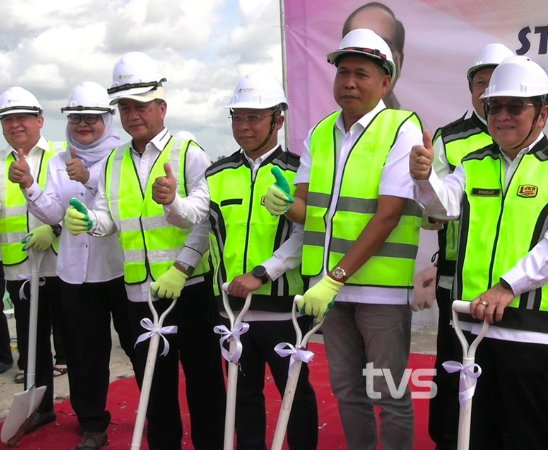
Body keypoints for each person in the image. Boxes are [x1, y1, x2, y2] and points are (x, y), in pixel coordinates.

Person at [412, 55, 548, 449]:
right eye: (494, 106)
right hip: (472, 327)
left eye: (515, 106)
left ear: (542, 114)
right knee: (473, 435)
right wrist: (425, 180)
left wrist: (508, 286)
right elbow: (442, 208)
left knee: (532, 437)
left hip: (535, 331)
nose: (502, 116)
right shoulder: (473, 163)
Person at [266, 28, 423, 449]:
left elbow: (388, 215)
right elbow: (305, 208)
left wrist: (334, 278)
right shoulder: (321, 132)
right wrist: (283, 204)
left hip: (379, 291)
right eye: (343, 73)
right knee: (348, 391)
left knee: (389, 393)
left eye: (361, 74)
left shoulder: (401, 127)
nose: (349, 82)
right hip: (328, 290)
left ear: (385, 82)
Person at [64, 52, 226, 450]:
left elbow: (204, 218)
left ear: (161, 107)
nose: (133, 115)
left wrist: (175, 217)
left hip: (190, 289)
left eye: (141, 106)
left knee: (204, 380)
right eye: (125, 107)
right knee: (155, 384)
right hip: (139, 293)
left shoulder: (188, 151)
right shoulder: (114, 161)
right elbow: (109, 219)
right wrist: (88, 220)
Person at [17, 82, 135, 449]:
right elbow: (53, 213)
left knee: (139, 346)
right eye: (76, 118)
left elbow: (123, 204)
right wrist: (30, 187)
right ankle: (92, 424)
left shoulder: (123, 157)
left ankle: (158, 410)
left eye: (91, 118)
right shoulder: (57, 161)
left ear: (106, 119)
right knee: (84, 355)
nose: (83, 125)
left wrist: (88, 178)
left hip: (120, 270)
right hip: (74, 274)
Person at [204, 72, 318, 450]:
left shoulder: (301, 171)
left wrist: (262, 274)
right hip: (231, 310)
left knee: (295, 396)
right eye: (237, 117)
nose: (244, 126)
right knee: (242, 396)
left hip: (285, 310)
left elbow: (309, 234)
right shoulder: (216, 173)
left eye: (254, 117)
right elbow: (202, 231)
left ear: (278, 119)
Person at [424, 42, 514, 450]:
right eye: (481, 82)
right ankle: (449, 439)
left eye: (498, 81)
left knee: (501, 370)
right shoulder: (449, 138)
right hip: (456, 277)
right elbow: (431, 210)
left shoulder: (527, 136)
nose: (489, 91)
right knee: (453, 366)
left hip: (509, 280)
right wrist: (427, 197)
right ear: (471, 87)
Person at [1, 86, 66, 433]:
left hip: (65, 268)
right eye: (7, 119)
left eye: (22, 117)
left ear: (40, 120)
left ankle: (90, 415)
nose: (15, 124)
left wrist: (55, 228)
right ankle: (41, 410)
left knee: (77, 343)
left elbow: (82, 204)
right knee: (33, 347)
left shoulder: (62, 154)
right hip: (21, 272)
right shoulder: (0, 165)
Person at [342, 2, 405, 109]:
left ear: (400, 62)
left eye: (384, 49)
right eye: (359, 50)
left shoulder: (414, 121)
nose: (371, 61)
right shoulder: (327, 120)